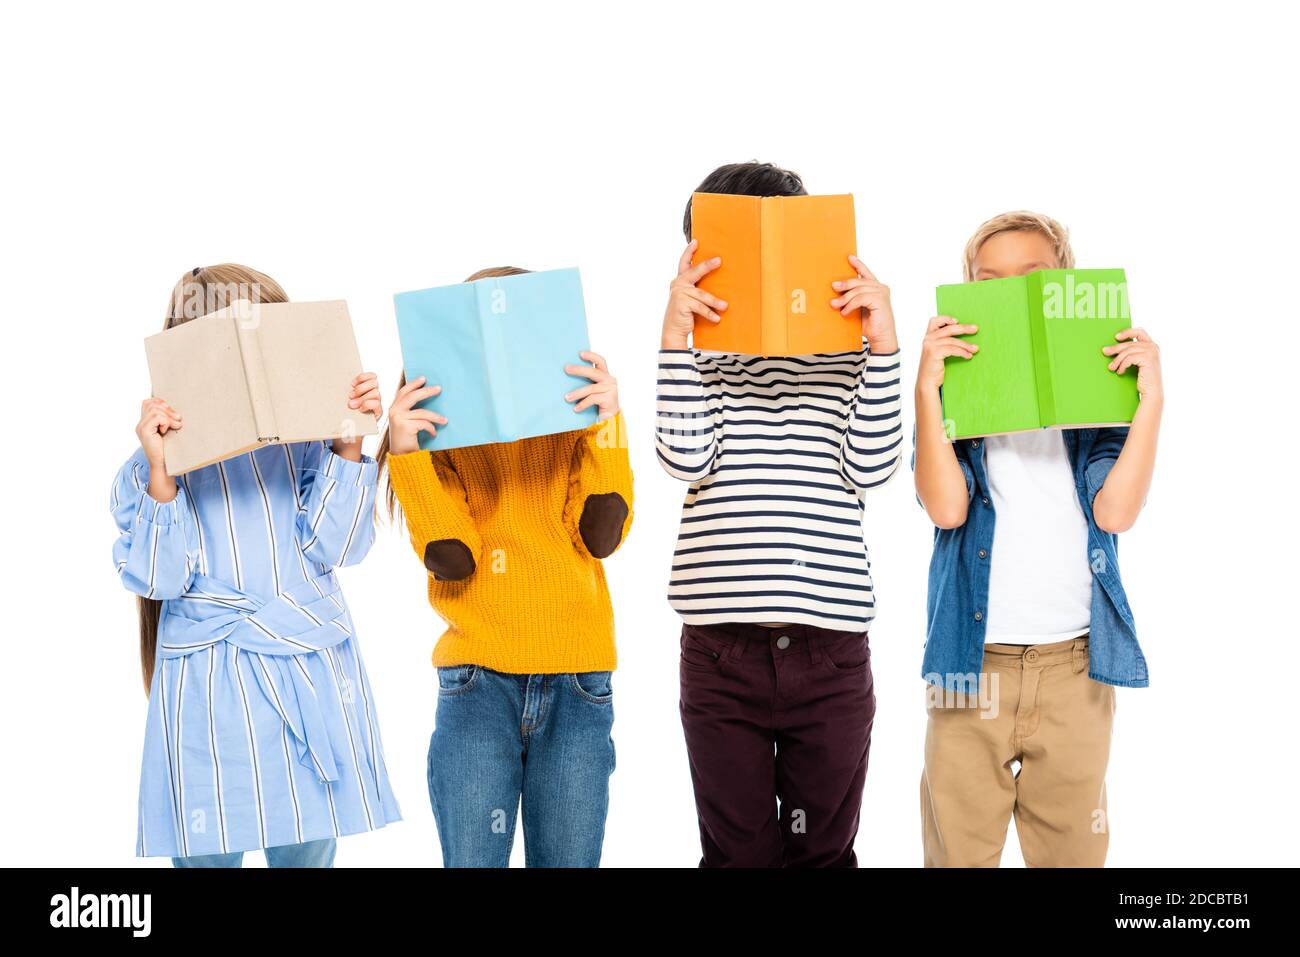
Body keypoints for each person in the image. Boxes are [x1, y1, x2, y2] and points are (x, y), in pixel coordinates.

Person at [912, 211, 1163, 867]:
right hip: (970, 667)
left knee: (1073, 853)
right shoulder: (960, 407)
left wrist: (1149, 403)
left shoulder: (1097, 403)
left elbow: (1116, 511)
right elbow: (945, 507)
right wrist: (928, 394)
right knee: (956, 854)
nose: (1012, 296)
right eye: (989, 282)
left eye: (1032, 279)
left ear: (1065, 290)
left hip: (1075, 670)